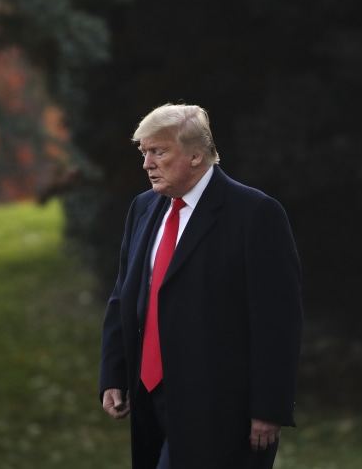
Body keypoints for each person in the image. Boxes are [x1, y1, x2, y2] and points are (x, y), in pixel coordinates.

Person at [99, 103, 303, 469]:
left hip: (223, 407)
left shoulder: (255, 213)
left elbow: (278, 321)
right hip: (150, 398)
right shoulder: (143, 208)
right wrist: (114, 373)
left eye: (158, 152)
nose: (147, 164)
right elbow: (124, 296)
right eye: (144, 152)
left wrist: (269, 407)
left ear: (196, 154)